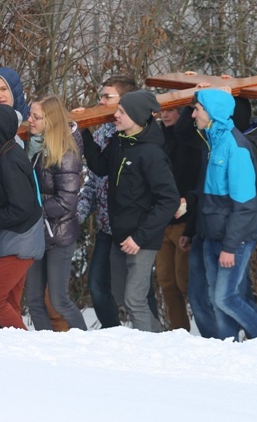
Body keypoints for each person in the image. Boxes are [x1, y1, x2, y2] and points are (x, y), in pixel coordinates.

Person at [83, 90, 179, 332]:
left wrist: (140, 237)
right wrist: (82, 131)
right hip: (119, 235)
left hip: (141, 239)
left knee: (135, 300)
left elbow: (168, 200)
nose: (115, 115)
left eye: (122, 112)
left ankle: (149, 353)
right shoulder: (119, 142)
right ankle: (161, 341)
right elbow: (100, 166)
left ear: (136, 116)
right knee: (122, 296)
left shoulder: (151, 154)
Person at [191, 88, 257, 341]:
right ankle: (227, 348)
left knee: (226, 297)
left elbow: (246, 204)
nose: (192, 114)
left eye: (197, 109)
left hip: (233, 238)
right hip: (211, 235)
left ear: (212, 112)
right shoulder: (212, 141)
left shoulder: (236, 147)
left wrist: (230, 245)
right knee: (217, 300)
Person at [77, 75, 143, 329]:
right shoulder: (102, 132)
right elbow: (93, 182)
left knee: (135, 292)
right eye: (100, 96)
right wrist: (75, 217)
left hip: (132, 228)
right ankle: (113, 334)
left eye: (107, 97)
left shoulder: (138, 132)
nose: (101, 101)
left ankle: (154, 338)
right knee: (97, 285)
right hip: (106, 227)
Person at [0, 104, 45, 329]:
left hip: (20, 242)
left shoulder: (11, 161)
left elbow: (21, 208)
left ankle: (26, 348)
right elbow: (9, 198)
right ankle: (18, 356)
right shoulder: (3, 153)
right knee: (9, 304)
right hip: (14, 240)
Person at [23, 95, 87, 331]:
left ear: (50, 121)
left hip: (58, 236)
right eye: (31, 115)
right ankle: (46, 347)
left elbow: (66, 202)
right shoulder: (37, 149)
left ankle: (86, 342)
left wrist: (33, 211)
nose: (30, 120)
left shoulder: (66, 154)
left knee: (59, 300)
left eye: (36, 117)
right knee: (33, 299)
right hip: (36, 234)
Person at [156, 107, 192, 331]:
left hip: (184, 220)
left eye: (171, 110)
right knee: (166, 282)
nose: (165, 115)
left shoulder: (191, 141)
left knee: (185, 281)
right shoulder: (158, 139)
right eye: (163, 111)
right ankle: (179, 333)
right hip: (162, 221)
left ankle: (213, 334)